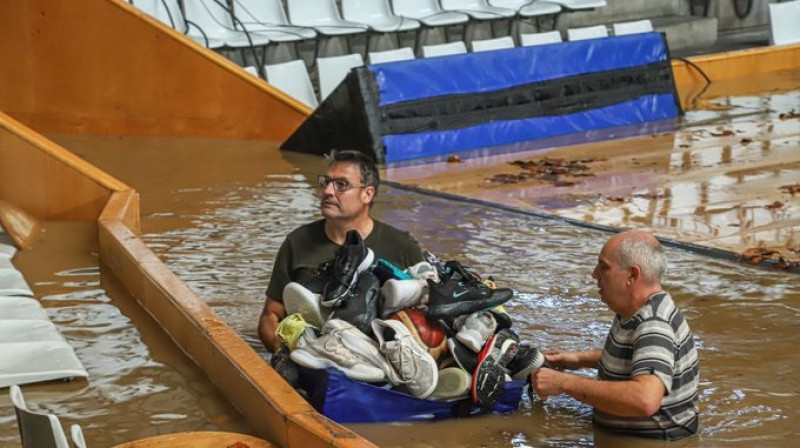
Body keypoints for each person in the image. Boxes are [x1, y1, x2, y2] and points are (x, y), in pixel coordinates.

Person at [530, 230, 699, 440]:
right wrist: (578, 359)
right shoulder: (637, 310)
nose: (594, 274)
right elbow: (635, 357)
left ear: (632, 275)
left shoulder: (653, 325)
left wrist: (564, 383)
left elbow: (645, 399)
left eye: (604, 267)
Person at [258, 150, 424, 353]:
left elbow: (425, 313)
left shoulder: (402, 246)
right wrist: (288, 356)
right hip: (308, 353)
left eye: (341, 185)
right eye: (326, 182)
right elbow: (270, 316)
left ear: (367, 194)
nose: (328, 191)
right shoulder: (297, 242)